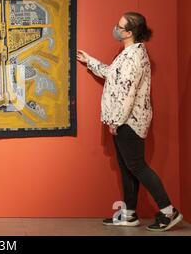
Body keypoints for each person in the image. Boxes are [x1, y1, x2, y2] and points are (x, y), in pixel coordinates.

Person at [77, 12, 183, 232]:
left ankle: (168, 211)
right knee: (127, 168)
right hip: (126, 120)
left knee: (137, 166)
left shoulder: (134, 57)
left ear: (129, 32)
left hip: (130, 122)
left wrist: (116, 121)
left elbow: (127, 93)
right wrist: (91, 62)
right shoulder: (129, 53)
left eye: (119, 26)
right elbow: (114, 76)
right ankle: (129, 213)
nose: (115, 28)